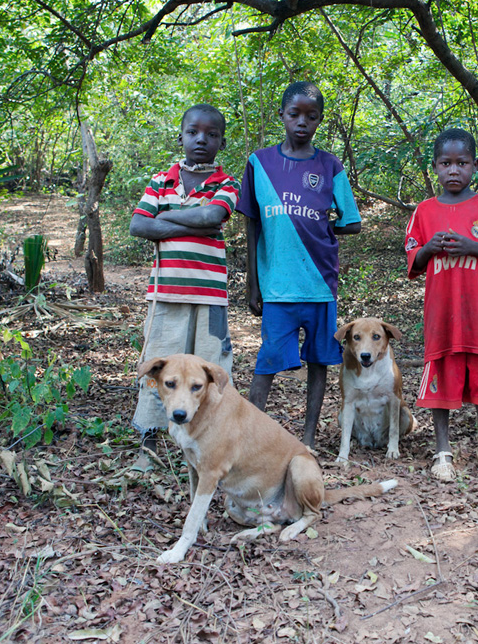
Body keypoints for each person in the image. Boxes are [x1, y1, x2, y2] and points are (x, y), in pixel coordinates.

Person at [235, 81, 362, 448]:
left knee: (319, 362)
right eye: (295, 114)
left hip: (320, 284)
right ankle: (249, 439)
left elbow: (352, 222)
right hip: (277, 286)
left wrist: (324, 226)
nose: (302, 122)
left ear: (320, 120)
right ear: (282, 115)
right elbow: (252, 222)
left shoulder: (329, 165)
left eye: (312, 116)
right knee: (268, 360)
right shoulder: (260, 162)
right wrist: (252, 282)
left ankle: (308, 438)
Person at [128, 104, 241, 472]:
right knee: (158, 368)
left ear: (222, 142)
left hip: (209, 296)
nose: (201, 139)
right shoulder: (161, 180)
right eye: (193, 132)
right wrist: (193, 224)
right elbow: (139, 225)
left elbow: (212, 215)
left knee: (210, 370)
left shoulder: (226, 183)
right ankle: (148, 447)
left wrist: (165, 218)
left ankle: (211, 446)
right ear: (181, 137)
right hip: (166, 294)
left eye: (211, 134)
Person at [404, 128, 478, 482]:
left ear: (474, 165)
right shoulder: (424, 210)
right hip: (441, 314)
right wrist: (429, 248)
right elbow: (413, 258)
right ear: (435, 167)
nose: (454, 170)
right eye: (446, 163)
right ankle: (443, 451)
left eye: (462, 163)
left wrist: (472, 246)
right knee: (442, 372)